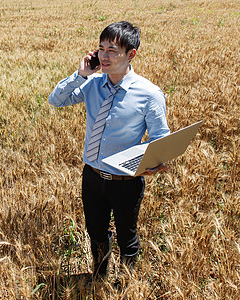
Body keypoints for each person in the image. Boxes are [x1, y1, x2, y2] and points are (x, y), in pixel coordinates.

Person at [48, 21, 170, 282]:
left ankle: (126, 284)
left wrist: (157, 161)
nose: (104, 56)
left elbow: (161, 139)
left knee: (127, 236)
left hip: (126, 181)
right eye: (101, 49)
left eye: (112, 50)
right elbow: (55, 100)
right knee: (96, 233)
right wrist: (81, 75)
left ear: (131, 55)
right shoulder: (92, 84)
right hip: (92, 176)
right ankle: (100, 277)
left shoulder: (149, 94)